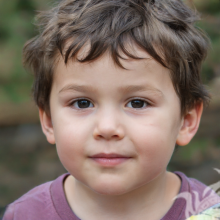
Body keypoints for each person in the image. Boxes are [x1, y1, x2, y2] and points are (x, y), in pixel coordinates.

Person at [3, 0, 220, 219]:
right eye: (82, 103)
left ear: (186, 121)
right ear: (49, 121)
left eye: (137, 103)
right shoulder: (24, 215)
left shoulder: (209, 213)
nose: (107, 128)